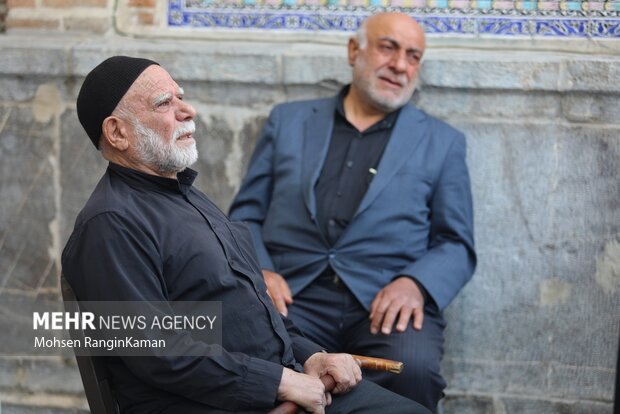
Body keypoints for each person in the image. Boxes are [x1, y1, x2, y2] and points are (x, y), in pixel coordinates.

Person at [62, 56, 429, 414]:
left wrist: (312, 357)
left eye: (180, 96)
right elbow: (159, 351)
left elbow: (253, 309)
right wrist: (280, 382)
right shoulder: (110, 223)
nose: (187, 110)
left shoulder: (186, 197)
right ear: (117, 132)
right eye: (164, 103)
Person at [229, 12, 476, 411]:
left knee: (412, 371)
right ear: (353, 51)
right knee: (261, 362)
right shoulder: (288, 121)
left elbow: (456, 243)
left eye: (413, 56)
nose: (400, 64)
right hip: (294, 295)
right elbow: (245, 214)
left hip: (384, 305)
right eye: (388, 47)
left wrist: (415, 283)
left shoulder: (442, 142)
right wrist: (260, 270)